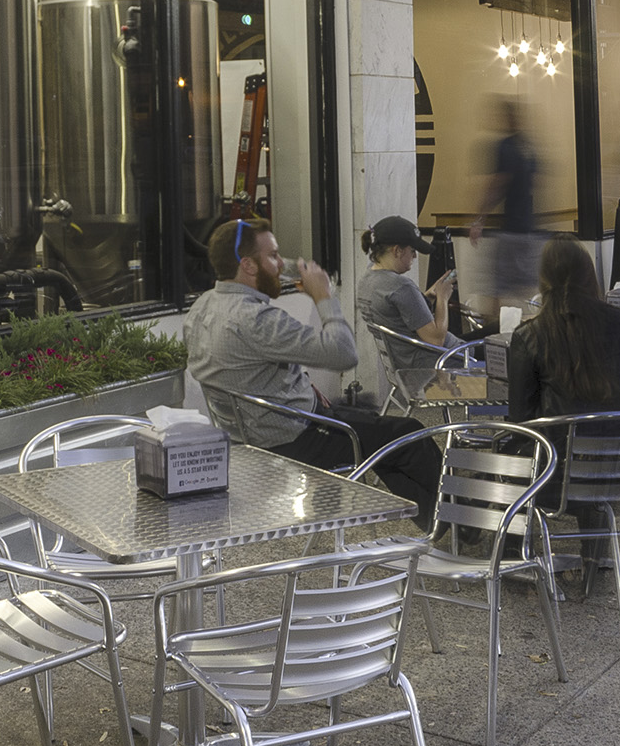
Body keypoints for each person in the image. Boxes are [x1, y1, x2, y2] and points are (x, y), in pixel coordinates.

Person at [185, 218, 444, 525]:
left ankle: (438, 520)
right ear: (248, 266)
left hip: (247, 434)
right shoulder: (256, 319)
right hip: (293, 440)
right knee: (409, 434)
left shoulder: (201, 307)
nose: (281, 264)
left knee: (379, 435)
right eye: (273, 256)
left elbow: (249, 368)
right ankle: (460, 519)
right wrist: (324, 297)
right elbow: (345, 353)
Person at [504, 242, 620, 582]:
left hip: (560, 479)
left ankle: (510, 557)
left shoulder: (531, 335)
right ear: (591, 277)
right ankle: (593, 544)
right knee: (582, 449)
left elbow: (521, 422)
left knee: (505, 452)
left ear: (543, 281)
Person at [356, 215, 461, 387]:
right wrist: (442, 298)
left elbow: (396, 317)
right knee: (501, 349)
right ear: (397, 251)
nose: (415, 256)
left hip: (403, 360)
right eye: (413, 251)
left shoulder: (368, 280)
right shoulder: (401, 286)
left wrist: (426, 297)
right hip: (438, 360)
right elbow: (436, 340)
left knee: (492, 336)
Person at [470, 98, 542, 317]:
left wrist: (479, 220)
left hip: (511, 230)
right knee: (528, 290)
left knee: (496, 291)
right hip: (529, 229)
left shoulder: (506, 146)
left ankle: (491, 341)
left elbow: (497, 183)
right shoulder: (529, 146)